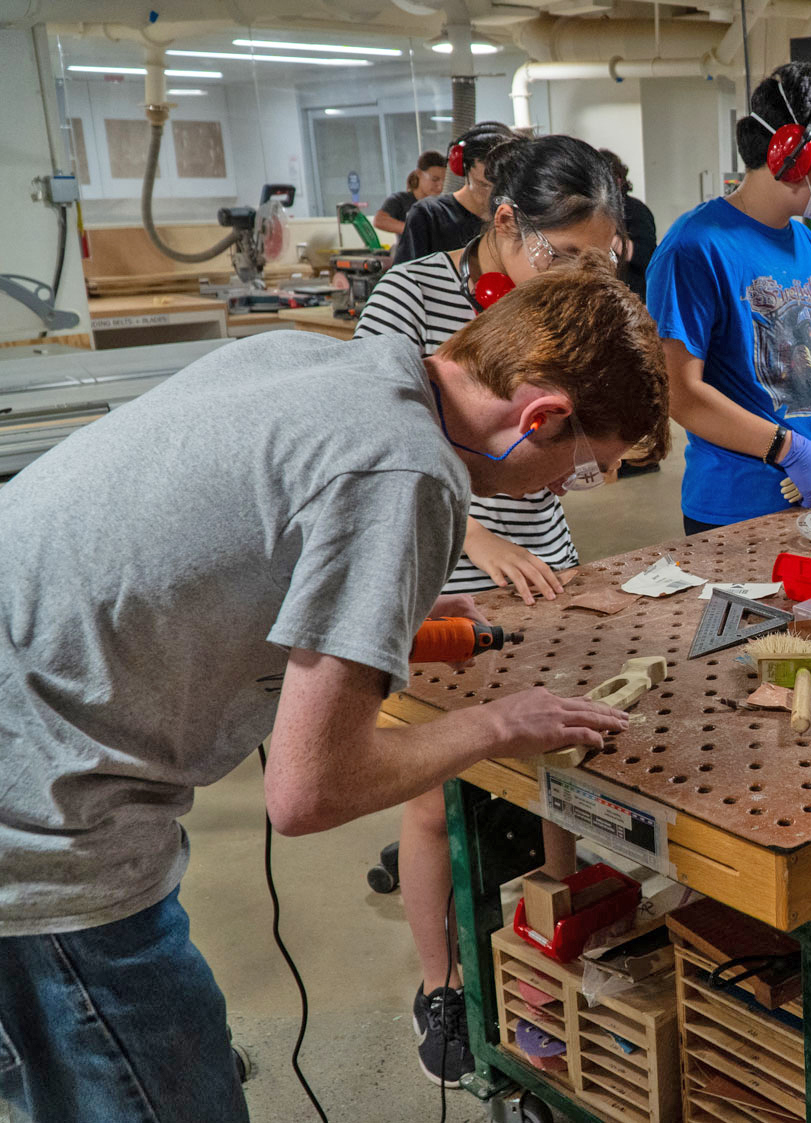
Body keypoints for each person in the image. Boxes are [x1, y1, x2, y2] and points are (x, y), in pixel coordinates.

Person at [0, 262, 668, 1122]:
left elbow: (238, 548)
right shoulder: (408, 473)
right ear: (540, 417)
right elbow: (310, 790)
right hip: (38, 819)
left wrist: (388, 606)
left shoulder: (315, 358)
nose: (560, 489)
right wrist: (499, 722)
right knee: (161, 1086)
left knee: (53, 1071)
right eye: (579, 468)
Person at [353, 133, 625, 1085]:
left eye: (598, 257)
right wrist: (477, 535)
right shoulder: (414, 295)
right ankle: (446, 986)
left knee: (549, 770)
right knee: (432, 796)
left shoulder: (571, 296)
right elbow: (384, 445)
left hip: (542, 561)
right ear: (506, 222)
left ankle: (553, 955)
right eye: (563, 255)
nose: (579, 276)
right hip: (442, 561)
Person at [646, 62, 811, 532]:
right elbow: (679, 393)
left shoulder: (803, 238)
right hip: (742, 505)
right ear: (789, 154)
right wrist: (786, 448)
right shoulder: (694, 247)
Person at [393, 122, 517, 264]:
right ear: (464, 169)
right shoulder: (429, 215)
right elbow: (404, 278)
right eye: (483, 185)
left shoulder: (517, 215)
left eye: (501, 186)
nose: (493, 195)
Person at [599, 149, 658, 302]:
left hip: (633, 295)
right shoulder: (593, 211)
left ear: (619, 180)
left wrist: (612, 239)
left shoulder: (636, 210)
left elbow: (648, 257)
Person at [374, 150, 448, 237]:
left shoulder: (442, 204)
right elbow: (379, 221)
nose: (440, 186)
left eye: (443, 181)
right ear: (419, 173)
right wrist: (416, 230)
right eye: (435, 179)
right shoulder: (400, 200)